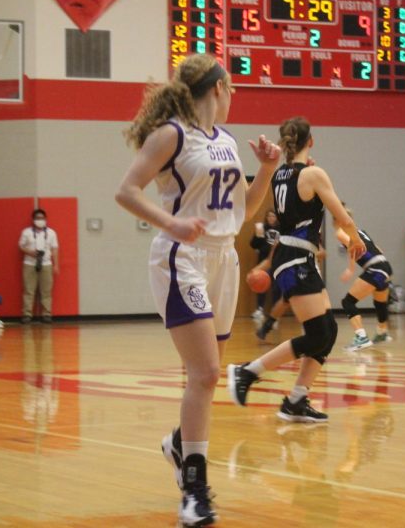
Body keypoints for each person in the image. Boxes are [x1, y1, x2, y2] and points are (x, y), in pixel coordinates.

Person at [115, 53, 282, 527]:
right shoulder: (171, 134)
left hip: (224, 258)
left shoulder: (226, 141)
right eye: (232, 88)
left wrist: (266, 171)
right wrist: (172, 222)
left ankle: (179, 444)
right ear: (218, 88)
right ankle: (193, 491)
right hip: (180, 257)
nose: (234, 96)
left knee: (205, 380)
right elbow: (126, 190)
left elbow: (243, 213)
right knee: (206, 373)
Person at [226, 117, 366, 419]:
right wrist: (355, 238)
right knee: (317, 334)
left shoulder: (279, 175)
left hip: (293, 256)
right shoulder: (313, 174)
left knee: (326, 331)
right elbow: (341, 215)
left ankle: (296, 400)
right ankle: (247, 372)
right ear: (310, 141)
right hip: (296, 258)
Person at [335, 209, 395, 351]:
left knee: (347, 302)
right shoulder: (362, 231)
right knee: (380, 302)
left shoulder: (341, 232)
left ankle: (361, 337)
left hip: (375, 269)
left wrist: (350, 268)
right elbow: (378, 248)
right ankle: (382, 332)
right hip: (385, 266)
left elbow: (352, 246)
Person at [18, 208, 59, 324]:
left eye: (42, 218)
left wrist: (56, 264)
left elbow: (55, 249)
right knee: (29, 290)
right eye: (37, 218)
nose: (40, 220)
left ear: (45, 219)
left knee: (46, 291)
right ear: (33, 220)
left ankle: (47, 314)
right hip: (29, 263)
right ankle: (27, 314)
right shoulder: (26, 232)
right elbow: (21, 245)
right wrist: (29, 251)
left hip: (46, 264)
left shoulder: (51, 233)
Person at [249, 209, 280, 321]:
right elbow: (253, 245)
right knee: (261, 285)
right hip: (263, 262)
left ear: (276, 217)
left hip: (277, 262)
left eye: (273, 216)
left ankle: (275, 313)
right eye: (269, 216)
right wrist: (258, 236)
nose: (271, 218)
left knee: (276, 287)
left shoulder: (281, 229)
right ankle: (259, 309)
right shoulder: (262, 228)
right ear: (266, 217)